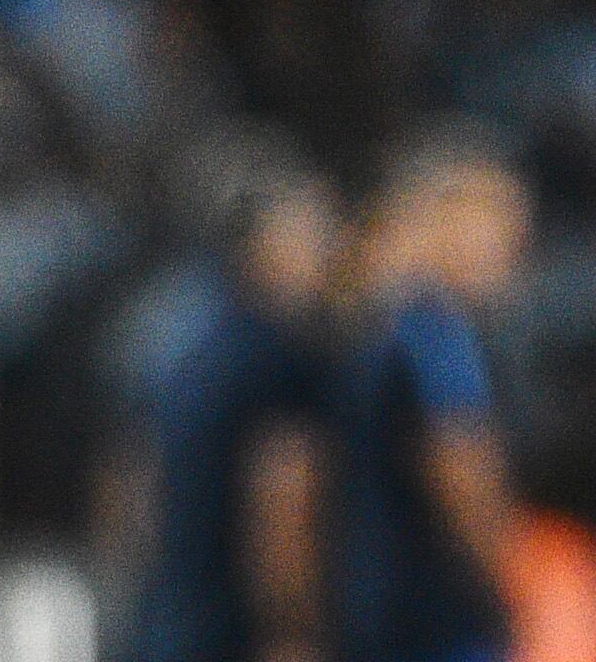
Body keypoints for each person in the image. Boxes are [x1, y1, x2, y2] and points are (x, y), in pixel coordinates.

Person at [113, 163, 338, 662]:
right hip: (233, 628)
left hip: (165, 615)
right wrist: (291, 629)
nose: (325, 253)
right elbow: (281, 498)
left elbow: (132, 490)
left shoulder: (176, 342)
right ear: (262, 244)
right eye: (310, 235)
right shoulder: (278, 354)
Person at [333, 135, 535, 662]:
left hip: (367, 616)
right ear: (444, 217)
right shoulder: (434, 329)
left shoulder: (367, 321)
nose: (513, 246)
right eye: (497, 222)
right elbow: (459, 462)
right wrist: (514, 584)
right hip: (435, 628)